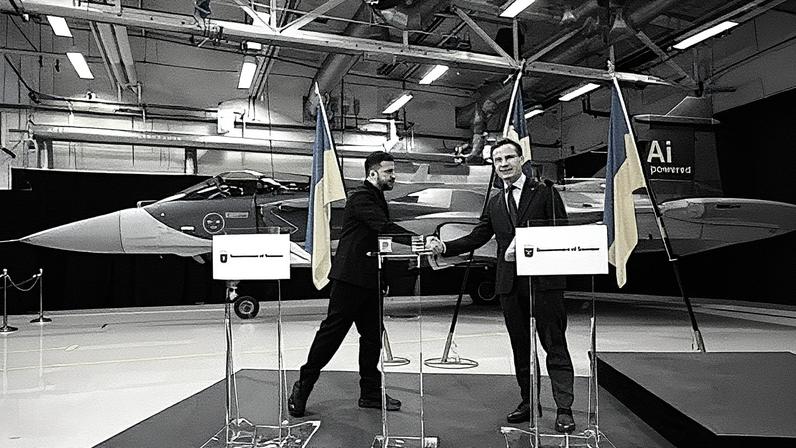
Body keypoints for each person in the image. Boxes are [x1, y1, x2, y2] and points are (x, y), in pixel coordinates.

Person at [426, 138, 576, 433]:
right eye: (498, 160)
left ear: (521, 160)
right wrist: (445, 247)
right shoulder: (495, 202)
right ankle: (528, 401)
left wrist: (530, 244)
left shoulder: (545, 192)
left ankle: (564, 408)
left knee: (555, 346)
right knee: (520, 348)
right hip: (509, 285)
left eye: (509, 157)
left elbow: (562, 233)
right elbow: (479, 236)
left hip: (544, 283)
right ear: (494, 166)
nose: (504, 164)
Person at [288, 151, 409, 417]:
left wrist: (383, 279)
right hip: (350, 280)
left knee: (372, 339)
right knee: (331, 336)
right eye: (389, 171)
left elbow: (376, 240)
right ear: (373, 173)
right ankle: (302, 387)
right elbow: (383, 227)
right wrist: (420, 240)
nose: (393, 176)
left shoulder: (376, 197)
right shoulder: (361, 197)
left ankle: (370, 393)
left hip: (371, 280)